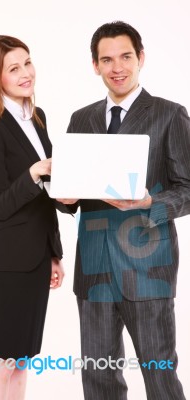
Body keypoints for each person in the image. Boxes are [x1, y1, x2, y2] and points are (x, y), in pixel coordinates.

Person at [58, 21, 190, 399]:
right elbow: (76, 193)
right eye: (107, 59)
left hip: (148, 268)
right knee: (99, 379)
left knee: (160, 377)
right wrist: (66, 198)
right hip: (95, 270)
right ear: (95, 65)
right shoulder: (81, 119)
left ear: (141, 58)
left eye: (126, 57)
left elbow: (188, 188)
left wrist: (152, 202)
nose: (117, 67)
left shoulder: (169, 114)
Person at [0, 35, 65, 400]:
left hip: (34, 256)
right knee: (2, 361)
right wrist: (34, 173)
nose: (26, 73)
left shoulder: (37, 118)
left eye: (27, 62)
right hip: (4, 258)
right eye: (14, 68)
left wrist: (53, 252)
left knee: (22, 360)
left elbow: (47, 196)